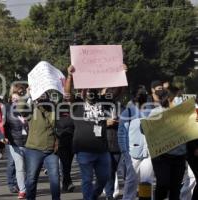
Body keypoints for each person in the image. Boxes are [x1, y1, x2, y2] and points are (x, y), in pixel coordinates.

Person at [65, 65, 111, 200]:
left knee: (104, 178)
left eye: (93, 90)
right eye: (88, 90)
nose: (90, 92)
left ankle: (93, 195)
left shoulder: (103, 103)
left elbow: (119, 91)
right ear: (83, 92)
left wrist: (122, 74)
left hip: (102, 150)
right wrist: (69, 76)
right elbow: (67, 93)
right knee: (87, 179)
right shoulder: (77, 104)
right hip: (84, 150)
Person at [17, 88, 61, 200]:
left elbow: (62, 99)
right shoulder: (32, 109)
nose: (43, 97)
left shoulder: (54, 109)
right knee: (31, 179)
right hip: (33, 150)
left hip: (51, 151)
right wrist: (27, 94)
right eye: (40, 95)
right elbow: (20, 107)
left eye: (44, 95)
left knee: (55, 178)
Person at [150, 87, 187, 200]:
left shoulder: (184, 113)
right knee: (163, 184)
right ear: (169, 99)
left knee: (175, 188)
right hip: (162, 156)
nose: (180, 100)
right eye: (178, 97)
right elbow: (146, 129)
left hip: (179, 156)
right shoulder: (156, 112)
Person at [118, 86, 154, 200]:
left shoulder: (151, 111)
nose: (141, 97)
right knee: (131, 180)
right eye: (139, 95)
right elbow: (122, 135)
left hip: (148, 152)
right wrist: (125, 153)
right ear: (134, 97)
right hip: (132, 153)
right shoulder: (127, 112)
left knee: (146, 181)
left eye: (143, 94)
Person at [4, 84, 28, 199]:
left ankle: (27, 186)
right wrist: (4, 136)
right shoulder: (7, 109)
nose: (15, 101)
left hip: (29, 142)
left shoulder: (28, 109)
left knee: (29, 168)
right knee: (18, 166)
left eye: (17, 99)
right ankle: (21, 189)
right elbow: (3, 124)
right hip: (14, 141)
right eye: (13, 99)